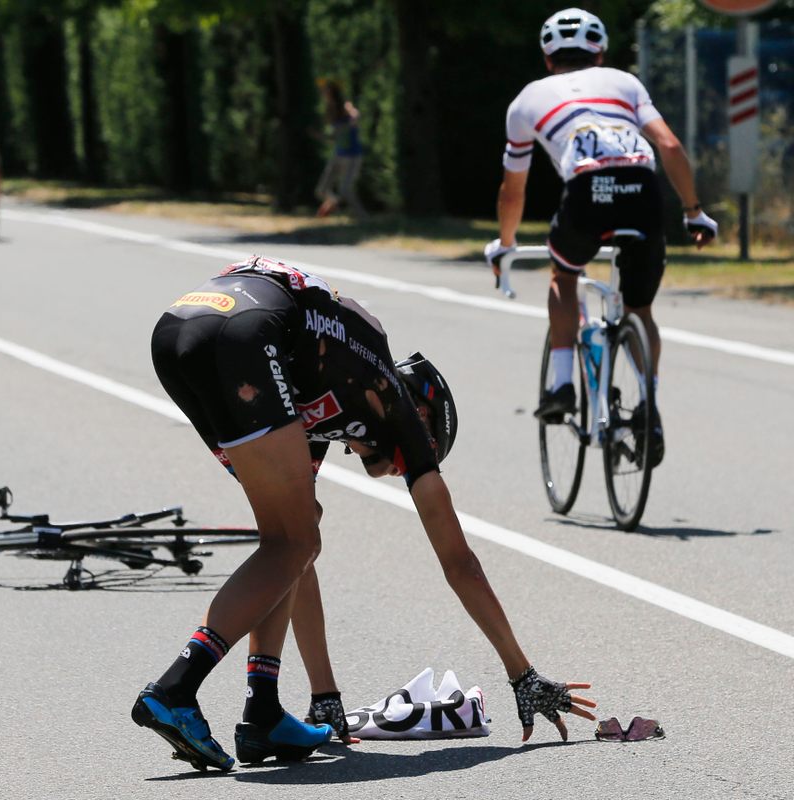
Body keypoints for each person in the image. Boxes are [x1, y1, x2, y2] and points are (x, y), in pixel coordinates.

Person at [133, 254, 597, 771]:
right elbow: (459, 561)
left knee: (290, 535)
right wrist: (523, 675)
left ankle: (262, 710)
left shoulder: (329, 392)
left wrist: (326, 695)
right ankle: (177, 687)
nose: (402, 468)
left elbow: (292, 562)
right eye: (425, 451)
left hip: (181, 330)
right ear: (423, 417)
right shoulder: (396, 407)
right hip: (244, 337)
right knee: (295, 541)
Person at [484, 8, 718, 464]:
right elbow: (668, 146)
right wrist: (694, 212)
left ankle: (563, 383)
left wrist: (506, 243)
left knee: (564, 276)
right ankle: (647, 403)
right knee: (639, 309)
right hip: (643, 191)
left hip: (588, 192)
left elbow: (514, 189)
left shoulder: (528, 100)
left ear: (547, 58)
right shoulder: (624, 83)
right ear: (601, 54)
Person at [313, 79, 366, 219]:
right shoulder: (330, 111)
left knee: (345, 190)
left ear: (333, 92)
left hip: (353, 155)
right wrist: (319, 136)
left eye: (326, 91)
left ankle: (362, 217)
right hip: (338, 154)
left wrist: (352, 120)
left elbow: (356, 115)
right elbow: (334, 137)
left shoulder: (345, 106)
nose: (323, 93)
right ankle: (334, 204)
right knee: (321, 190)